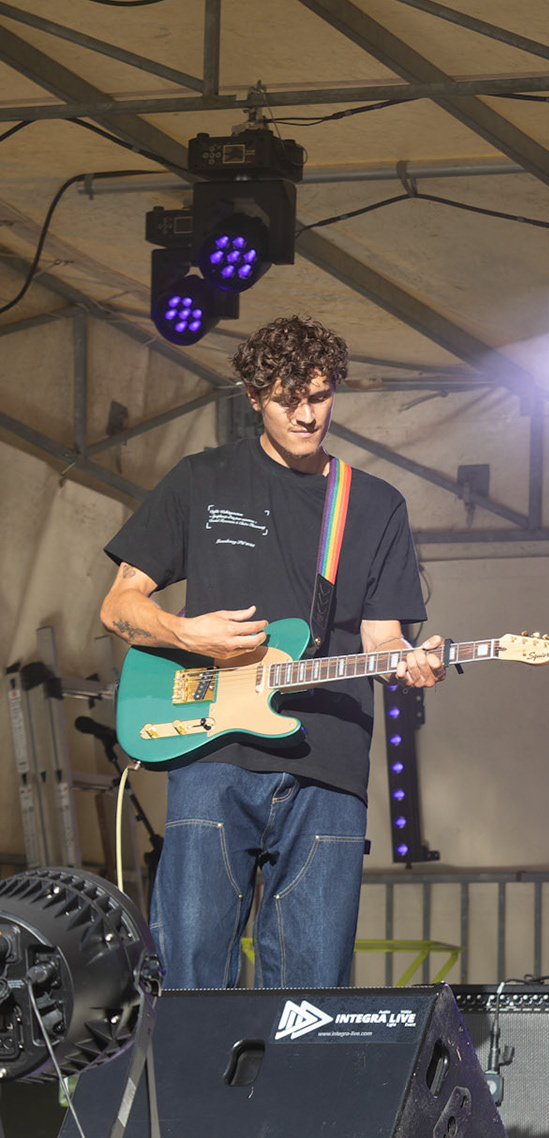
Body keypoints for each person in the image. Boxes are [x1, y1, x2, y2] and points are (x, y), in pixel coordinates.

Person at [99, 316, 443, 990]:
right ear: (253, 396)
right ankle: (191, 1096)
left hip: (330, 764)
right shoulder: (203, 479)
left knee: (310, 993)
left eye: (319, 397)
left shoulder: (373, 504)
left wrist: (408, 664)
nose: (306, 415)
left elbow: (383, 638)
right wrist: (186, 633)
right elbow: (118, 606)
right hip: (211, 755)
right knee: (191, 973)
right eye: (289, 399)